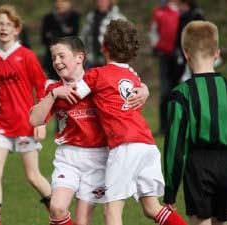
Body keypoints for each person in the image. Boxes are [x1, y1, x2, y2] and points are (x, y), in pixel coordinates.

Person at [75, 19, 188, 225]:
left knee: (112, 210)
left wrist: (52, 89)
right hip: (147, 144)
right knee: (152, 208)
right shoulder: (133, 75)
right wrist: (144, 88)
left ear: (104, 47)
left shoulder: (96, 75)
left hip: (124, 145)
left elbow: (73, 94)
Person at [29, 36, 149, 225]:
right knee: (57, 208)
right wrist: (53, 95)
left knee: (82, 221)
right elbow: (34, 120)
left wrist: (144, 88)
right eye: (53, 58)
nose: (57, 61)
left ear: (79, 57)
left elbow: (125, 78)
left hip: (98, 159)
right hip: (68, 157)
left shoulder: (99, 79)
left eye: (61, 56)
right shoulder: (54, 88)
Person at [0, 5, 51, 225]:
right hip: (1, 126)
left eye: (8, 24)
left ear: (17, 29)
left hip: (25, 125)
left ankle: (61, 216)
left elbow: (42, 88)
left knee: (33, 177)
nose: (3, 27)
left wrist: (41, 120)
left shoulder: (27, 57)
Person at [163, 20, 227, 225]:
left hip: (198, 165)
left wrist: (170, 191)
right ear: (217, 53)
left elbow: (175, 146)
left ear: (186, 54)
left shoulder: (181, 94)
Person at [149, 0, 180, 135]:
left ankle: (179, 126)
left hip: (180, 56)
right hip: (165, 56)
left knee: (179, 91)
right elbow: (154, 31)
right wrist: (156, 46)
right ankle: (163, 127)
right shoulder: (159, 11)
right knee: (165, 92)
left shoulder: (181, 10)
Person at [41, 0, 80, 80]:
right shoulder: (48, 18)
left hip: (69, 58)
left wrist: (53, 34)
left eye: (64, 1)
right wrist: (65, 32)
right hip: (52, 59)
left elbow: (73, 37)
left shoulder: (74, 17)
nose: (60, 3)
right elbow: (44, 39)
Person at [80, 0, 126, 68]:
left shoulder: (118, 18)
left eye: (104, 1)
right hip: (91, 59)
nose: (101, 3)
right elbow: (84, 36)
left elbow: (124, 39)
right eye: (98, 1)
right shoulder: (91, 17)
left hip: (110, 59)